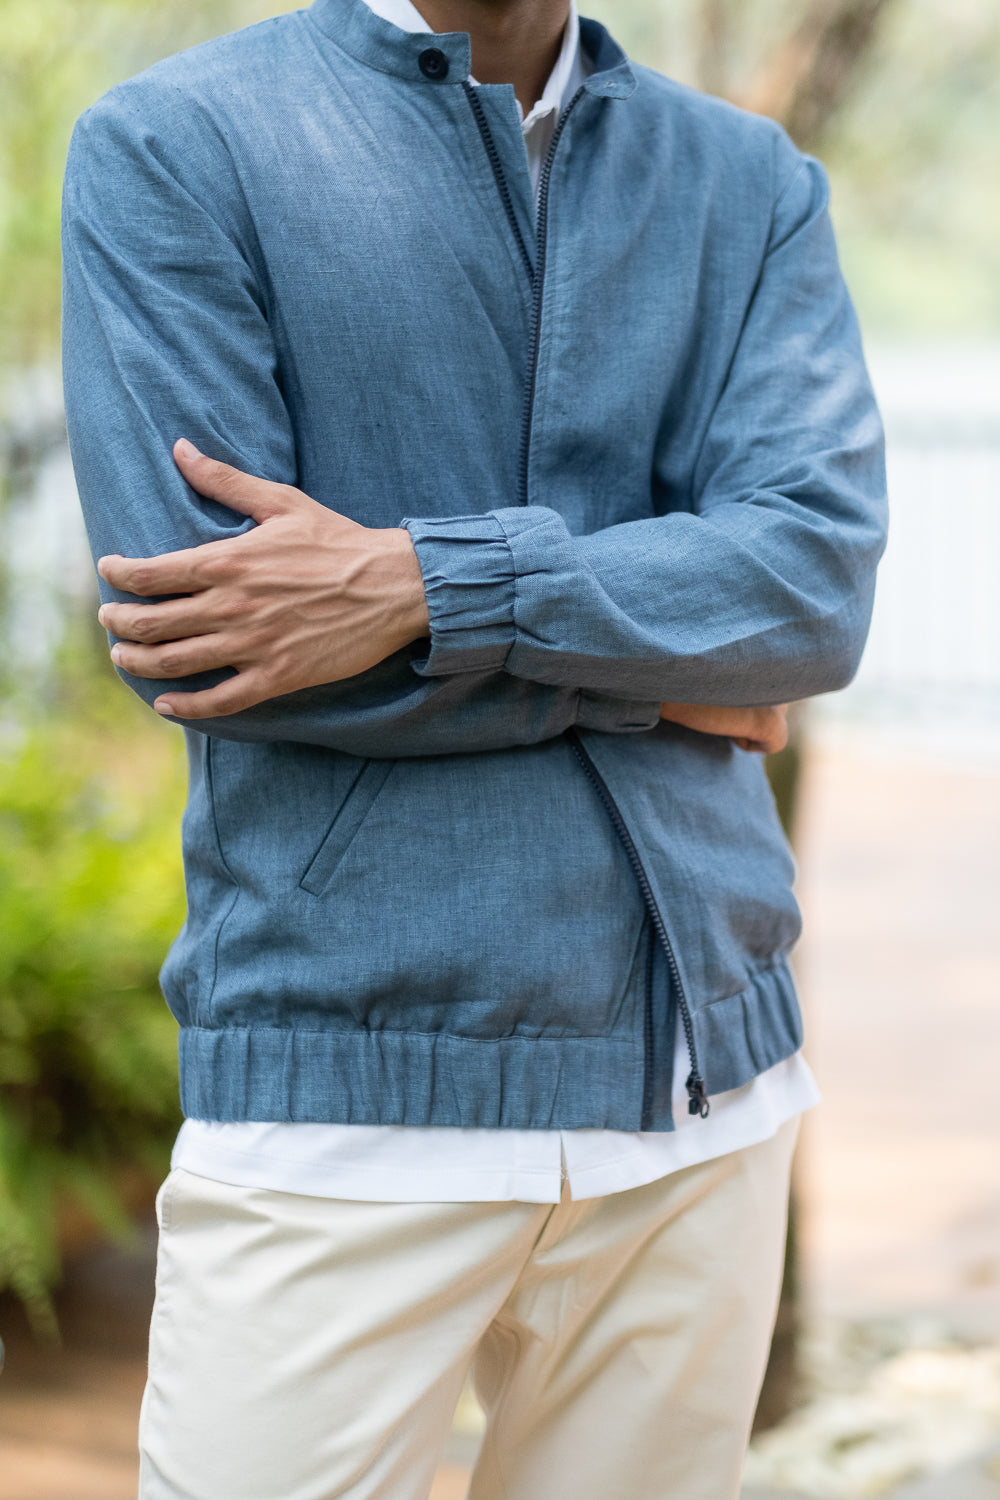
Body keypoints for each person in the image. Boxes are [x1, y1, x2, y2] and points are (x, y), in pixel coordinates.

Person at [61, 0, 887, 1495]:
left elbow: (811, 594)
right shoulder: (177, 147)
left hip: (699, 1101)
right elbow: (214, 639)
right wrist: (677, 665)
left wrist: (413, 590)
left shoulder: (748, 182)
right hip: (343, 1078)